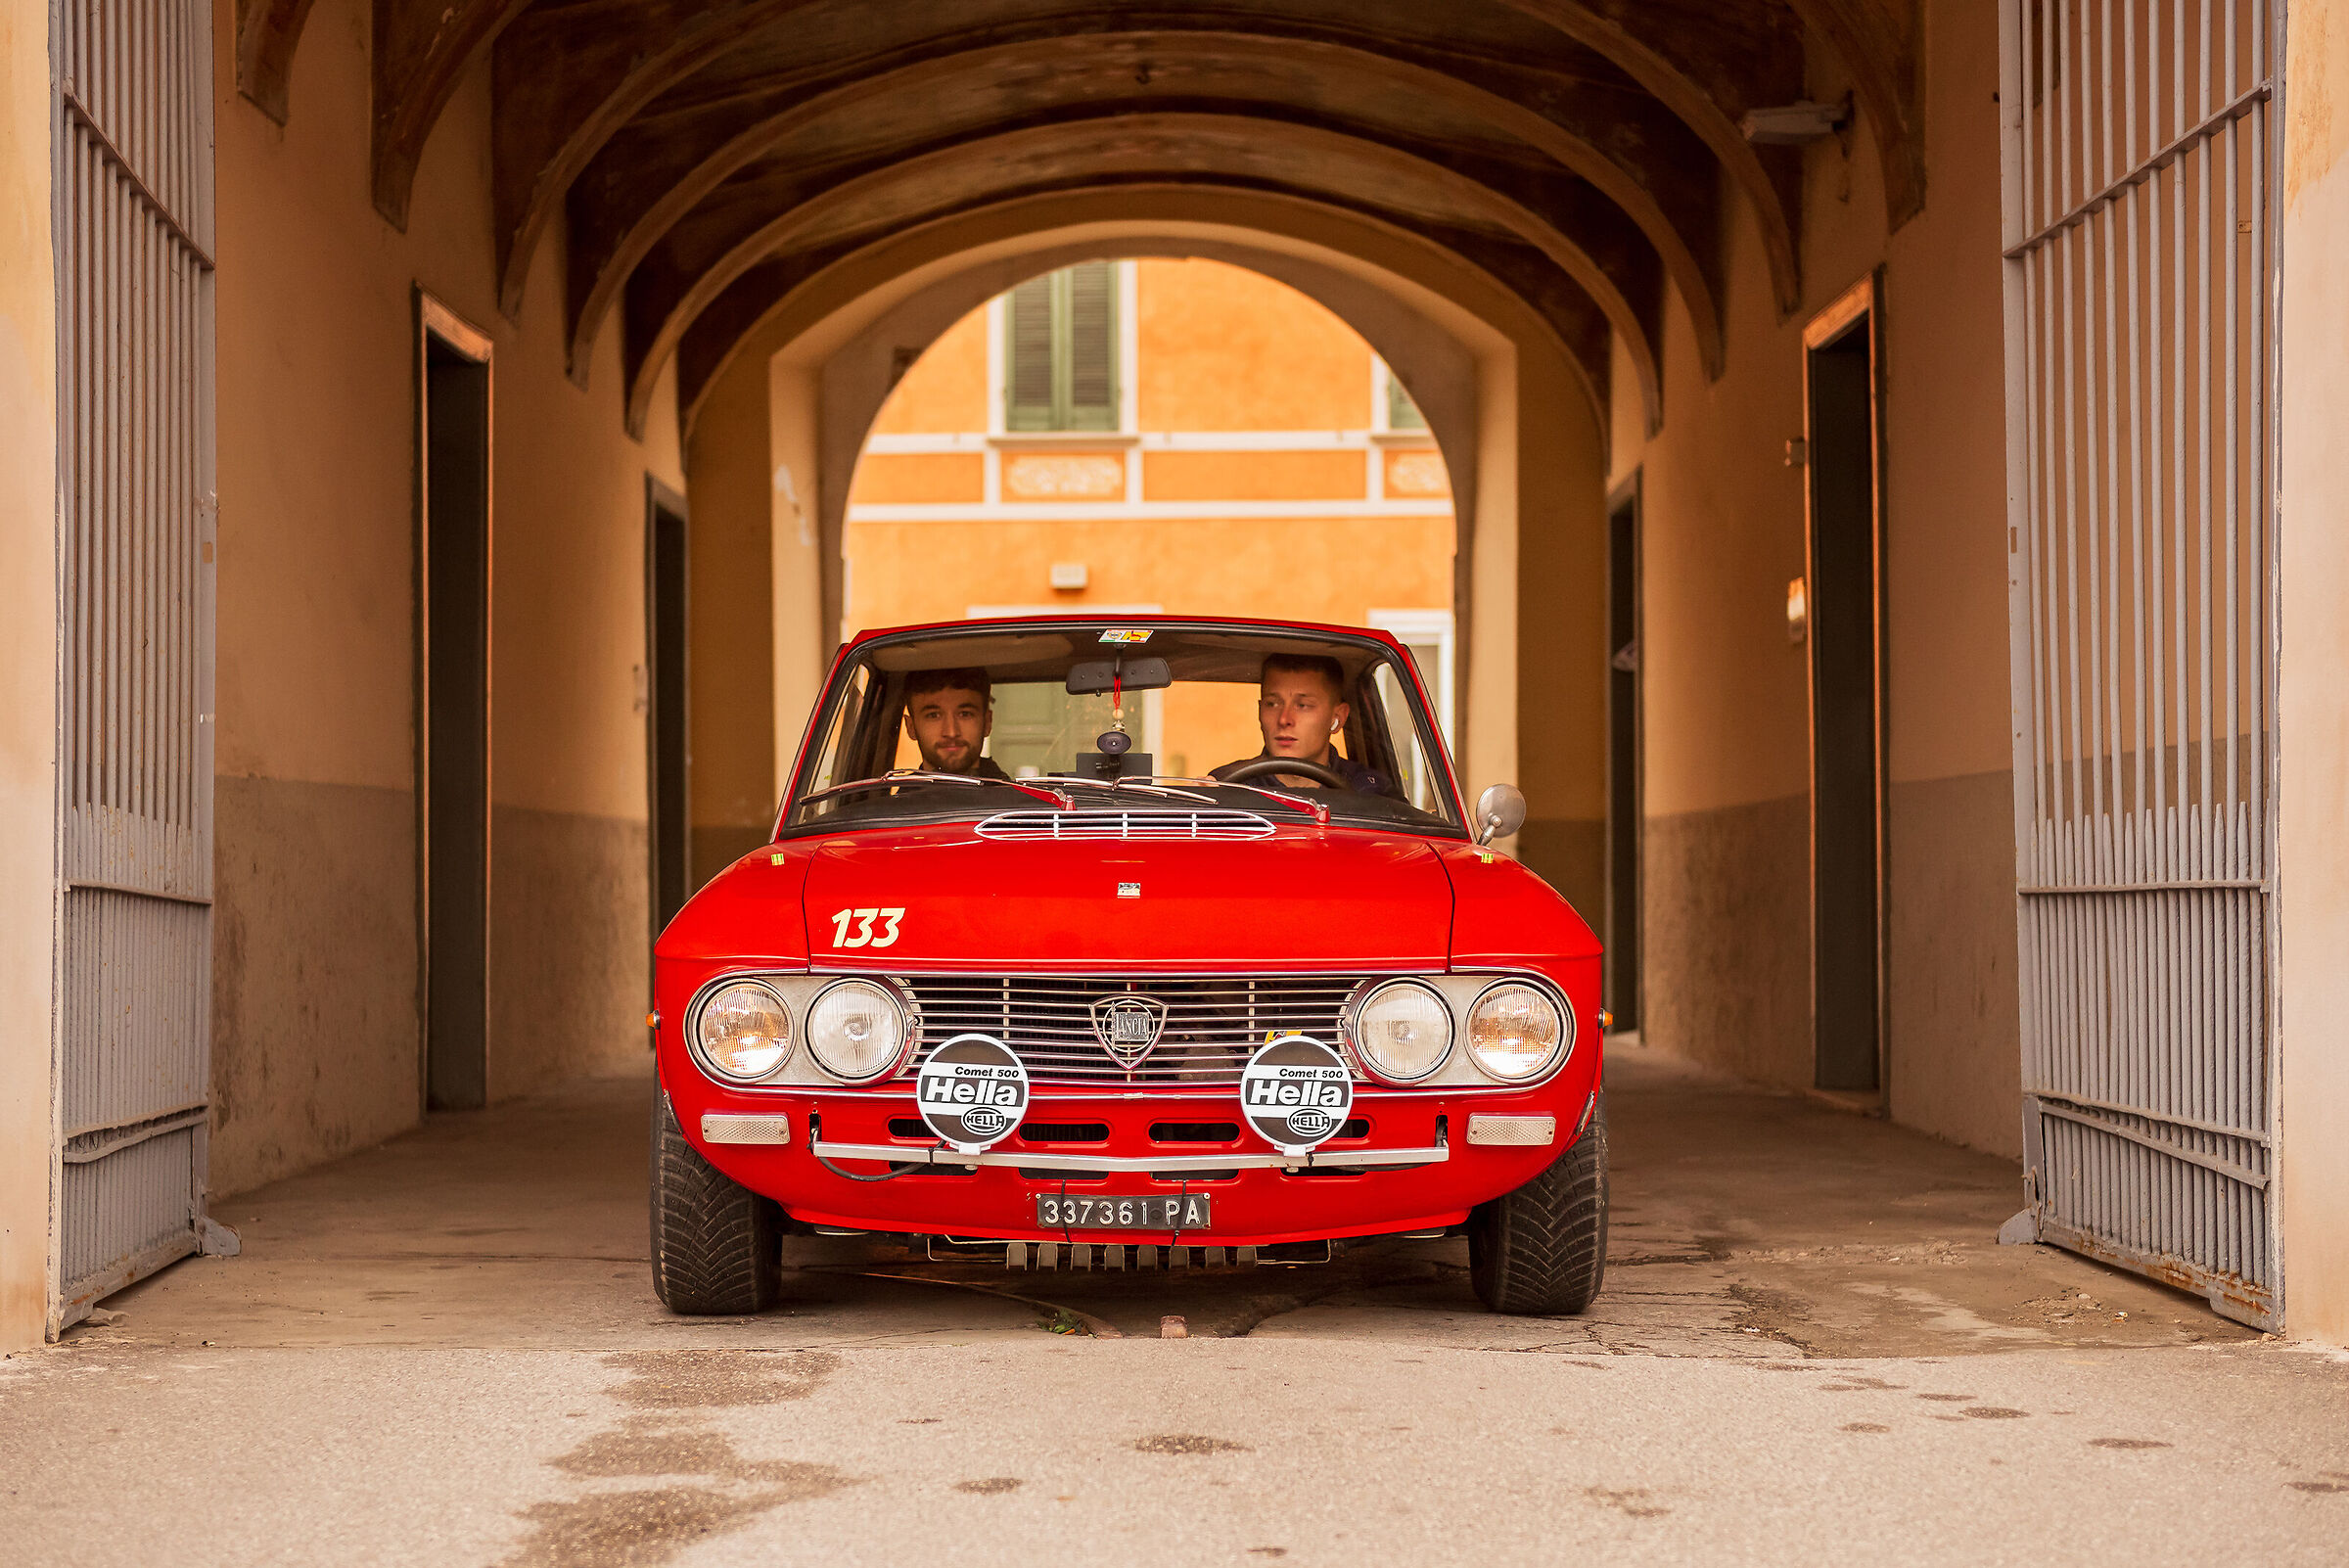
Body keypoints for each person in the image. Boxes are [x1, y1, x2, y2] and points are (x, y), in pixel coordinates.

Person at [1213, 653, 1379, 790]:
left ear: (1338, 717)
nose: (1284, 719)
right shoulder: (1226, 786)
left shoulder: (1371, 790)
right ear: (1259, 711)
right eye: (1272, 704)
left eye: (1303, 706)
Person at [902, 667, 1010, 779]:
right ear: (911, 727)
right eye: (933, 715)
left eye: (965, 714)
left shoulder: (1017, 796)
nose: (951, 732)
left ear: (987, 722)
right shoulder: (896, 797)